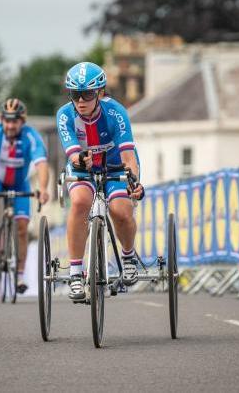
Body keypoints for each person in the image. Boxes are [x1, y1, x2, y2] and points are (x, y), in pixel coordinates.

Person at [56, 62, 144, 301]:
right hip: (82, 166)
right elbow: (72, 152)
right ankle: (76, 273)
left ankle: (127, 256)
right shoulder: (65, 115)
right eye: (75, 94)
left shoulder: (116, 112)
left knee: (121, 210)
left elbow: (128, 155)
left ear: (100, 93)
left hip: (116, 164)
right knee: (80, 203)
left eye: (87, 94)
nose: (81, 100)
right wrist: (80, 158)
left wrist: (133, 181)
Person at [0, 98, 50, 294]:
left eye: (14, 121)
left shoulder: (31, 136)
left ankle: (20, 275)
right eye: (6, 121)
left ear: (22, 121)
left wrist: (42, 188)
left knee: (22, 228)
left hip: (19, 182)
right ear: (1, 120)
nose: (9, 125)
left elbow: (42, 164)